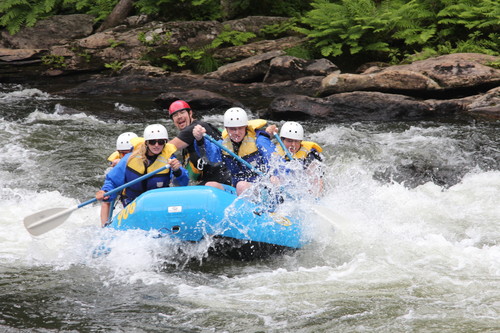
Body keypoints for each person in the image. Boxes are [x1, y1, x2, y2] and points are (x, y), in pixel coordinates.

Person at [96, 124, 189, 226]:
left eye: (160, 142)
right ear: (146, 142)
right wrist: (105, 192)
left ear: (165, 143)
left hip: (157, 205)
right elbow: (112, 181)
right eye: (152, 142)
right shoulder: (130, 158)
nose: (156, 145)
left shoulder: (169, 160)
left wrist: (177, 171)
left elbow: (182, 184)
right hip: (133, 204)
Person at [192, 107, 276, 195]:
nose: (237, 132)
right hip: (236, 188)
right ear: (226, 129)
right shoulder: (223, 144)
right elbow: (210, 157)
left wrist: (275, 176)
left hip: (262, 188)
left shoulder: (259, 140)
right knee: (210, 185)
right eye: (233, 129)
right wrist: (200, 140)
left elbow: (275, 160)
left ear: (246, 127)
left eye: (240, 128)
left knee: (241, 186)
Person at [167, 100, 231, 185]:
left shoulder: (195, 128)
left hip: (223, 178)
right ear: (173, 121)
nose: (179, 117)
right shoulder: (188, 137)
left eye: (182, 113)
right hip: (211, 178)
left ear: (190, 113)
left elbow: (165, 148)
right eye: (175, 115)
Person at [266, 121, 325, 196]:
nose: (293, 145)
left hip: (302, 191)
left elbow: (317, 181)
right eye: (289, 141)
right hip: (281, 189)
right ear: (282, 140)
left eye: (296, 141)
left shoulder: (310, 155)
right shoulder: (274, 151)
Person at [100, 131, 138, 225]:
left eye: (129, 154)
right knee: (107, 198)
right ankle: (104, 226)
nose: (126, 158)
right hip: (127, 200)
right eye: (123, 154)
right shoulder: (115, 167)